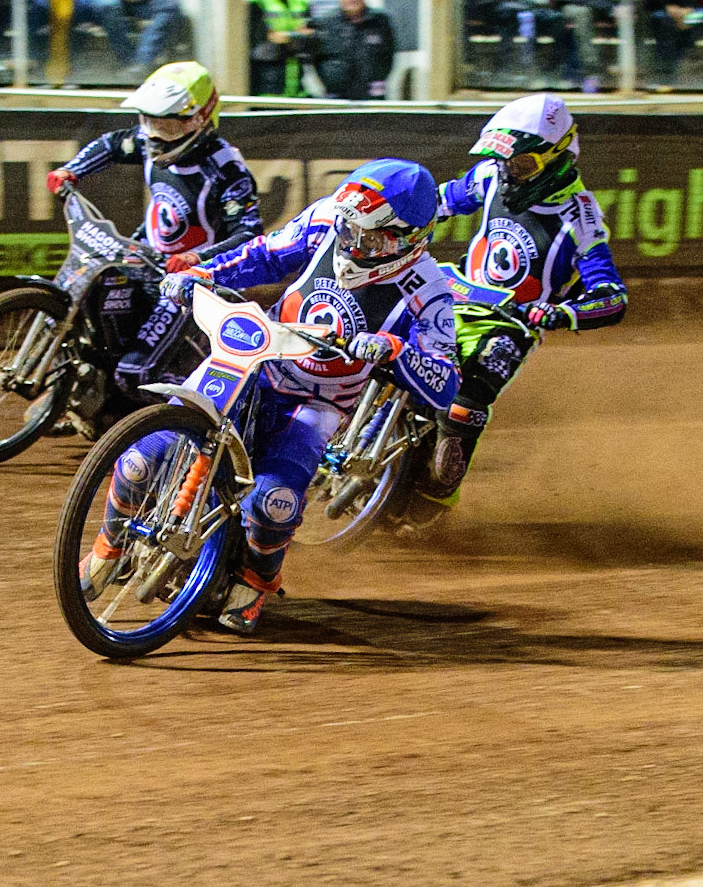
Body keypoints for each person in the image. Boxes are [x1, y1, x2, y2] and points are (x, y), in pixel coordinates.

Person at [88, 160, 460, 634]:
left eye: (371, 240)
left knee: (273, 499)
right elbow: (266, 254)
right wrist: (202, 273)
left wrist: (395, 351)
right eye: (349, 230)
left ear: (408, 239)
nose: (353, 244)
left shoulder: (429, 291)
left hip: (317, 400)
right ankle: (108, 546)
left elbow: (446, 381)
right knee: (143, 457)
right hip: (255, 356)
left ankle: (257, 578)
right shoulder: (327, 218)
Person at [399, 94, 628, 527]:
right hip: (450, 295)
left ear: (557, 156)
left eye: (521, 165)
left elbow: (612, 296)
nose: (508, 173)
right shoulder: (489, 174)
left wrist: (562, 313)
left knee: (465, 404)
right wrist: (398, 219)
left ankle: (436, 496)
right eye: (503, 161)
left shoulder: (582, 219)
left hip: (510, 324)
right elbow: (440, 201)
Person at [46, 62, 263, 396]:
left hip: (192, 283)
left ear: (199, 120)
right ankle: (68, 395)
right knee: (82, 305)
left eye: (167, 127)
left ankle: (205, 400)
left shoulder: (226, 168)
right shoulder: (149, 142)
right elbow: (112, 144)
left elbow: (249, 234)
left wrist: (196, 258)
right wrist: (71, 171)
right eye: (149, 122)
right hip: (146, 256)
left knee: (134, 375)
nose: (156, 136)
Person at [316, 0, 396, 99]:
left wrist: (378, 80)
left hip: (371, 96)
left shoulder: (380, 21)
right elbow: (317, 59)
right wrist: (329, 81)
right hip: (337, 97)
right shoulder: (327, 23)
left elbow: (388, 56)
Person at [248, 0, 314, 97]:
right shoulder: (257, 1)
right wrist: (297, 36)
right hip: (267, 82)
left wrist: (288, 37)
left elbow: (311, 38)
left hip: (295, 81)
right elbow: (268, 37)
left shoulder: (300, 2)